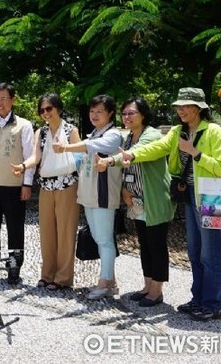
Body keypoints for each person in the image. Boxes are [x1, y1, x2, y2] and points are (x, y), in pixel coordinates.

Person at [117, 87, 221, 321]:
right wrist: (132, 155)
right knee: (195, 251)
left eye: (185, 106)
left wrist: (193, 152)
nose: (180, 110)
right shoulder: (178, 131)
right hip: (189, 195)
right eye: (178, 106)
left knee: (212, 253)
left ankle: (213, 305)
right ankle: (198, 299)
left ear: (199, 108)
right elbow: (157, 147)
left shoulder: (214, 131)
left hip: (214, 196)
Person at [97, 98, 173, 306]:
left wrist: (110, 161)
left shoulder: (152, 135)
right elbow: (127, 168)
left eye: (131, 113)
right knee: (144, 243)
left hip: (154, 198)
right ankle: (147, 284)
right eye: (124, 113)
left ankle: (157, 290)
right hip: (136, 199)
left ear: (143, 115)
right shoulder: (128, 137)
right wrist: (123, 188)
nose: (127, 117)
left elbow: (137, 155)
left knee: (156, 244)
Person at [54, 95, 122, 299]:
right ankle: (110, 280)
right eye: (92, 111)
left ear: (110, 113)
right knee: (100, 238)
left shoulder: (113, 135)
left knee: (104, 239)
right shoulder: (94, 133)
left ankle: (104, 284)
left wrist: (65, 147)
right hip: (89, 195)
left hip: (103, 195)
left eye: (99, 111)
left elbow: (89, 147)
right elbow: (80, 159)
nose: (94, 115)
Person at [12, 93, 79, 290]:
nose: (45, 113)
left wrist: (64, 149)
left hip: (67, 185)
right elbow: (36, 156)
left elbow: (80, 157)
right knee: (47, 232)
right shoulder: (40, 132)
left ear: (58, 108)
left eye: (49, 108)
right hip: (46, 186)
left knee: (66, 232)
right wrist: (23, 166)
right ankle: (47, 274)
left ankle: (63, 277)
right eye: (42, 110)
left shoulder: (71, 130)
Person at [0, 83, 34, 284]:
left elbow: (29, 156)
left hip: (13, 185)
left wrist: (27, 184)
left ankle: (14, 267)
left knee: (15, 227)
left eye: (4, 98)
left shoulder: (24, 125)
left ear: (13, 100)